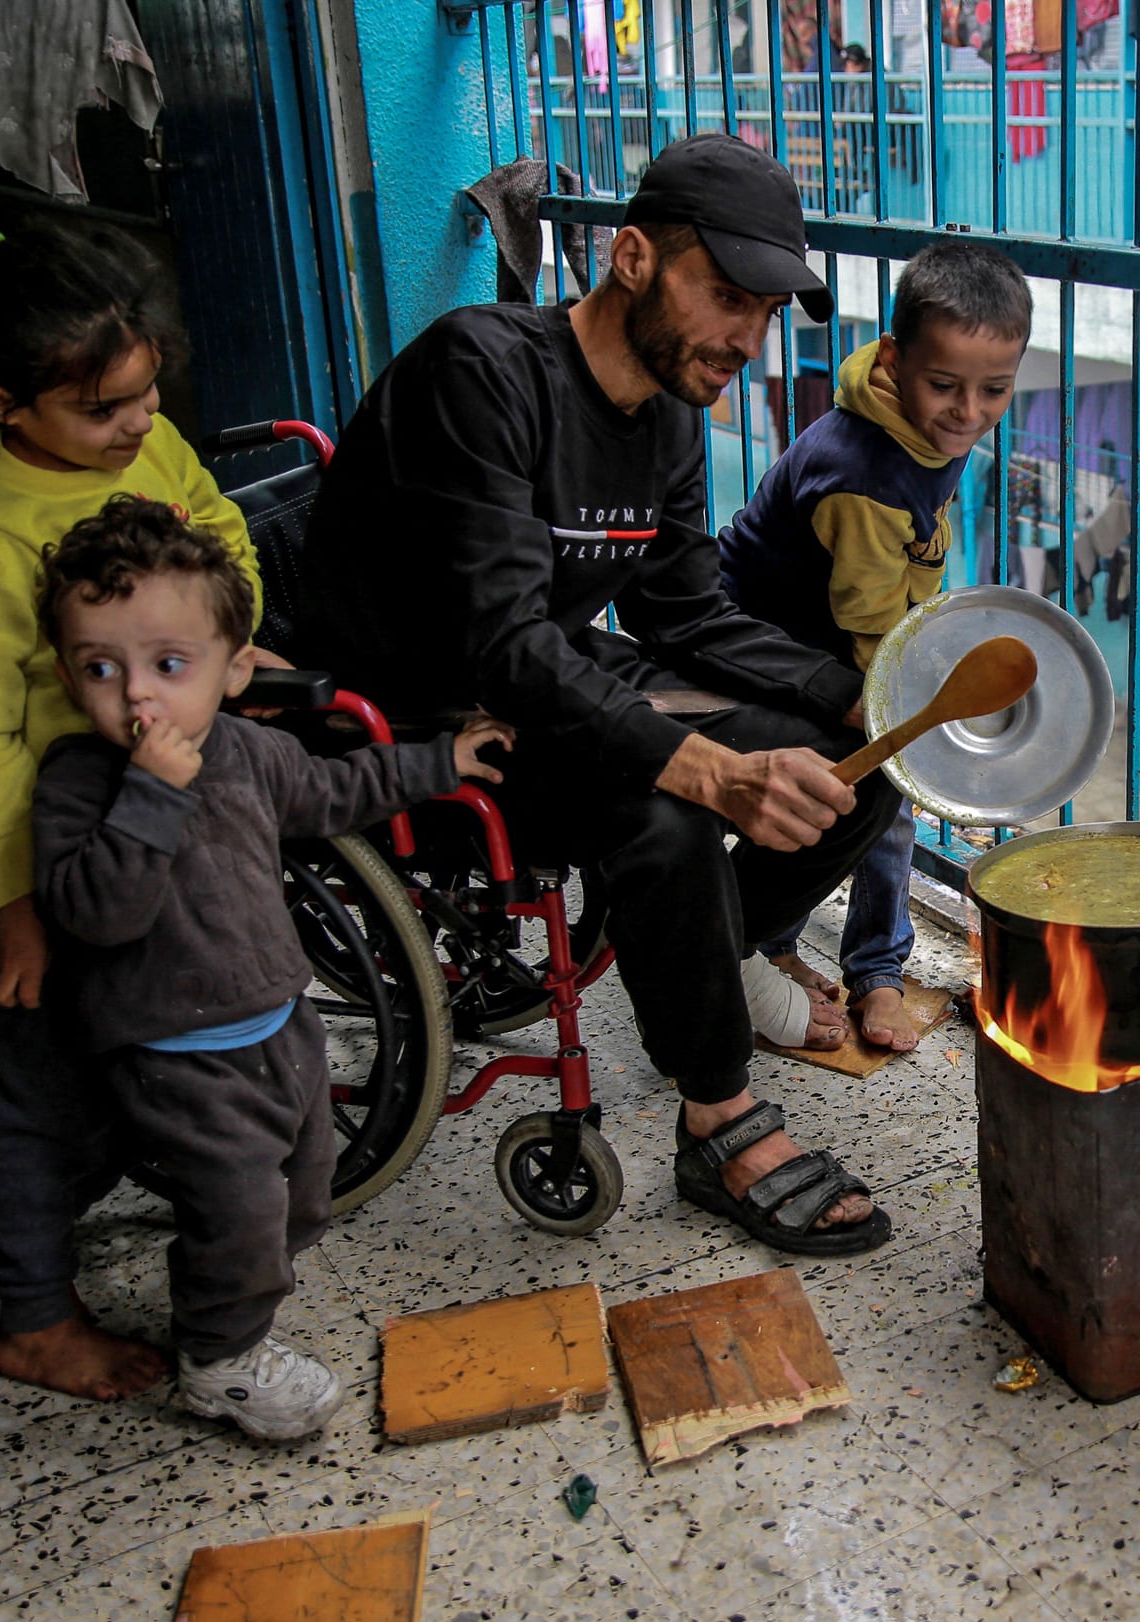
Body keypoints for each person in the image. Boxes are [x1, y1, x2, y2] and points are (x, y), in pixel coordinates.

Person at [300, 134, 900, 1257]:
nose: (746, 338)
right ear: (630, 256)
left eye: (767, 311)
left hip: (547, 682)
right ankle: (719, 1118)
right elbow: (501, 643)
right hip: (426, 721)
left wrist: (860, 694)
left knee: (855, 772)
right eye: (725, 296)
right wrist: (711, 770)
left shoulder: (669, 413)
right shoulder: (478, 372)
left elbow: (684, 615)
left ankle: (712, 949)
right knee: (665, 813)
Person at [30, 498, 513, 1439]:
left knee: (304, 1187)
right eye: (102, 668)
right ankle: (218, 1357)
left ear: (235, 667)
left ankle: (231, 1275)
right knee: (242, 1210)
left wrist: (438, 760)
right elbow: (98, 910)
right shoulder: (76, 783)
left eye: (170, 666)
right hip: (176, 1054)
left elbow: (339, 791)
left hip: (280, 1023)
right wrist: (148, 799)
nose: (137, 696)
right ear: (65, 673)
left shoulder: (250, 749)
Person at [0, 218, 272, 1402]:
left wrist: (220, 638)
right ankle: (32, 1312)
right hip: (58, 837)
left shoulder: (150, 440)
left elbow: (217, 530)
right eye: (105, 408)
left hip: (158, 801)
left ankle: (28, 1223)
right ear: (0, 403)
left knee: (130, 1037)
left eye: (147, 394)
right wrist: (16, 905)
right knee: (52, 1076)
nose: (137, 427)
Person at [719, 240, 1030, 1051]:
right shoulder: (863, 479)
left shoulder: (926, 424)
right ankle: (844, 962)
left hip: (839, 625)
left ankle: (819, 953)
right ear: (893, 360)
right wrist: (911, 722)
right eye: (946, 386)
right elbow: (869, 624)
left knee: (868, 800)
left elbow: (910, 559)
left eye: (995, 389)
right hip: (765, 643)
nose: (969, 412)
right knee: (880, 794)